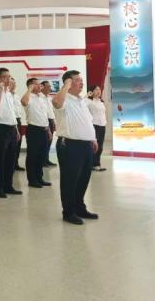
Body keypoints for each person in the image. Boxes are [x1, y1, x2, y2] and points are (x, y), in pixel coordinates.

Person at [52, 70, 100, 225]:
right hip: (70, 145)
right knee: (70, 180)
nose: (82, 82)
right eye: (77, 80)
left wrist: (93, 138)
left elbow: (87, 121)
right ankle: (68, 212)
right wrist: (66, 86)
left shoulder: (81, 100)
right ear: (69, 82)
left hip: (86, 145)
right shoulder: (63, 99)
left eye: (81, 80)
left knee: (83, 179)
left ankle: (80, 207)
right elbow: (56, 103)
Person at [0, 68, 22, 198]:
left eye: (9, 76)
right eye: (6, 77)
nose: (8, 79)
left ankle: (8, 186)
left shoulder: (9, 93)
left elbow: (12, 113)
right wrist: (0, 90)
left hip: (11, 129)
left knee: (10, 160)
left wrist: (16, 129)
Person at [21, 78, 53, 188]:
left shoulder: (41, 98)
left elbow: (44, 115)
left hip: (44, 129)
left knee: (41, 155)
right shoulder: (28, 97)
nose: (40, 86)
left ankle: (40, 178)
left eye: (40, 84)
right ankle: (32, 180)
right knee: (32, 156)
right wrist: (29, 89)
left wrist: (48, 130)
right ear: (31, 85)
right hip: (33, 130)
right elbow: (24, 102)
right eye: (37, 84)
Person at [87, 85, 108, 172]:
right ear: (92, 91)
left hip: (102, 125)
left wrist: (105, 122)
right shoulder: (89, 101)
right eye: (96, 89)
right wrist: (87, 96)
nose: (98, 91)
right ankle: (90, 165)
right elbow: (82, 105)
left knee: (100, 146)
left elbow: (103, 114)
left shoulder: (101, 102)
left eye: (99, 89)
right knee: (93, 146)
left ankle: (96, 164)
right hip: (94, 125)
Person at [10, 77, 26, 171]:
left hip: (18, 120)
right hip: (10, 121)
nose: (14, 85)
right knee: (11, 144)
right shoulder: (6, 95)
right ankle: (9, 165)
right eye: (12, 83)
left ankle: (15, 163)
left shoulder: (16, 95)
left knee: (18, 143)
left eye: (14, 83)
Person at [40, 81, 58, 167]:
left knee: (49, 141)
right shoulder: (40, 97)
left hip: (51, 120)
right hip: (44, 121)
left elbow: (51, 111)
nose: (50, 88)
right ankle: (42, 161)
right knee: (44, 142)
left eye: (50, 86)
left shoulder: (49, 98)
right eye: (48, 86)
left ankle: (46, 159)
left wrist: (54, 121)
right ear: (42, 87)